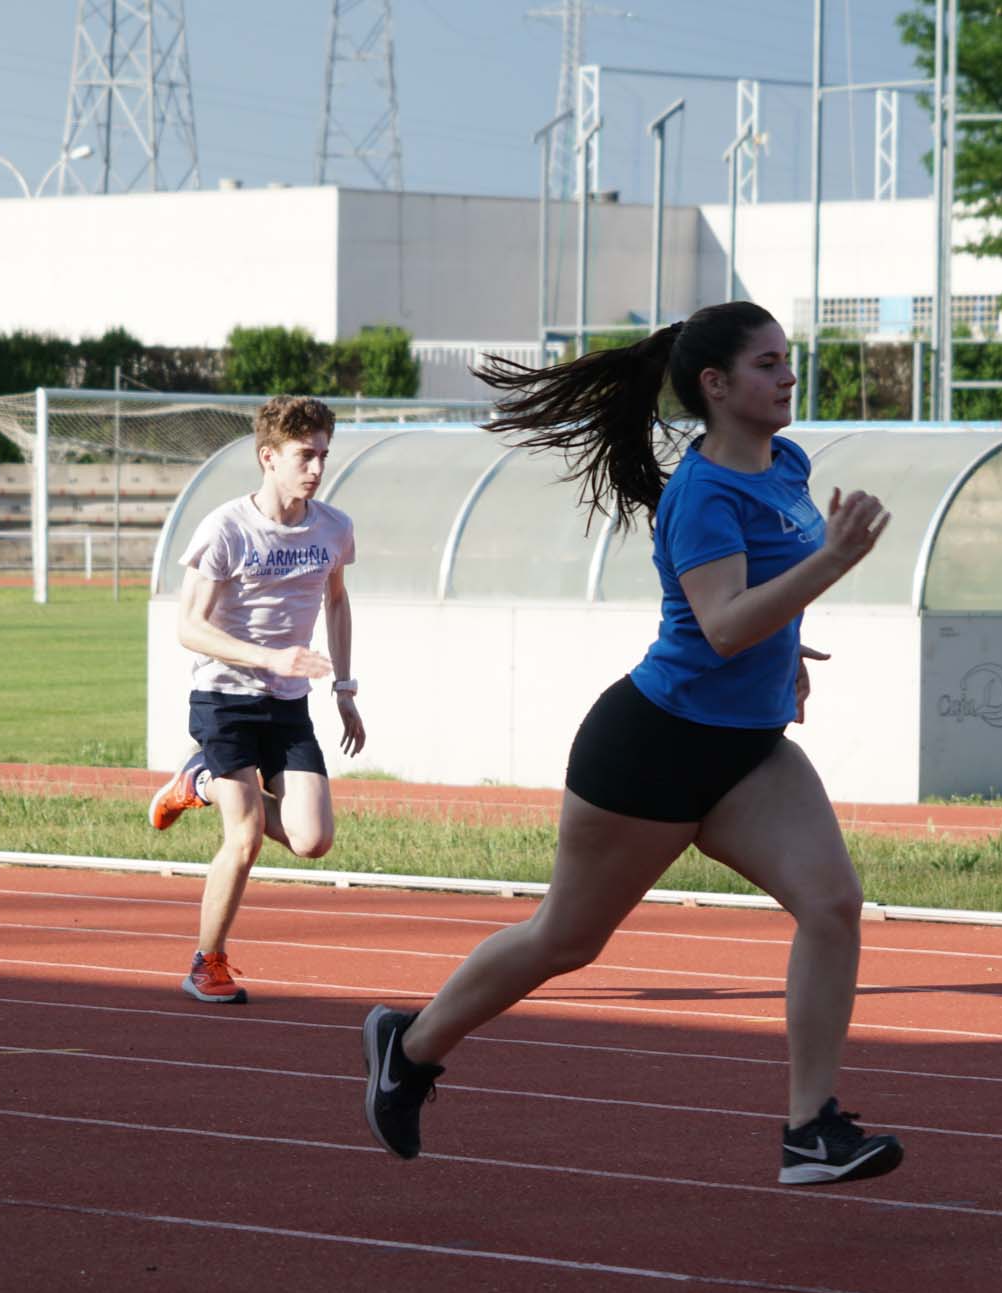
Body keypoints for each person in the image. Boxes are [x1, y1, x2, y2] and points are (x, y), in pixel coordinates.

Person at [360, 302, 903, 1186]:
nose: (788, 377)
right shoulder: (701, 496)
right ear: (717, 386)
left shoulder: (788, 462)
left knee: (833, 902)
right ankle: (410, 1047)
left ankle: (811, 1129)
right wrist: (830, 565)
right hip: (652, 748)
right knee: (566, 939)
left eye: (787, 360)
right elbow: (722, 624)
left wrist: (789, 646)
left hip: (747, 749)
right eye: (768, 365)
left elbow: (752, 606)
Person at [148, 395, 366, 1005]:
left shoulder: (334, 527)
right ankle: (206, 962)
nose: (317, 468)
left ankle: (199, 780)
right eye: (305, 455)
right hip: (224, 697)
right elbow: (189, 626)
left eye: (324, 454)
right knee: (242, 837)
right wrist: (270, 657)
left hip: (289, 702)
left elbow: (338, 601)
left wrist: (345, 689)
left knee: (311, 840)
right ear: (269, 457)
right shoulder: (226, 528)